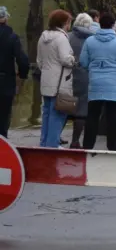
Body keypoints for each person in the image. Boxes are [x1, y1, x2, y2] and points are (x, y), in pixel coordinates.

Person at [80, 12, 116, 151]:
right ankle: (112, 146)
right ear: (112, 25)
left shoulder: (90, 41)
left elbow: (83, 62)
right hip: (113, 85)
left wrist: (94, 68)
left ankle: (88, 146)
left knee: (92, 116)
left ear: (99, 24)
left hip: (95, 83)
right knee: (112, 117)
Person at [37, 9, 75, 148]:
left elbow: (39, 61)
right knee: (58, 115)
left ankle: (44, 143)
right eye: (69, 22)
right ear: (65, 23)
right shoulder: (61, 38)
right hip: (60, 83)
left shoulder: (43, 37)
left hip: (46, 81)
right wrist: (73, 58)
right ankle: (52, 145)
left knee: (46, 114)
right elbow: (65, 59)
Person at [67, 13, 97, 149]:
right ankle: (75, 141)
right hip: (85, 78)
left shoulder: (67, 37)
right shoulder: (92, 40)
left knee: (64, 108)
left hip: (68, 77)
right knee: (81, 112)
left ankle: (54, 138)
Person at [0, 5, 30, 138]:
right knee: (4, 115)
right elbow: (22, 60)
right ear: (5, 19)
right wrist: (22, 74)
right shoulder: (12, 37)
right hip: (5, 81)